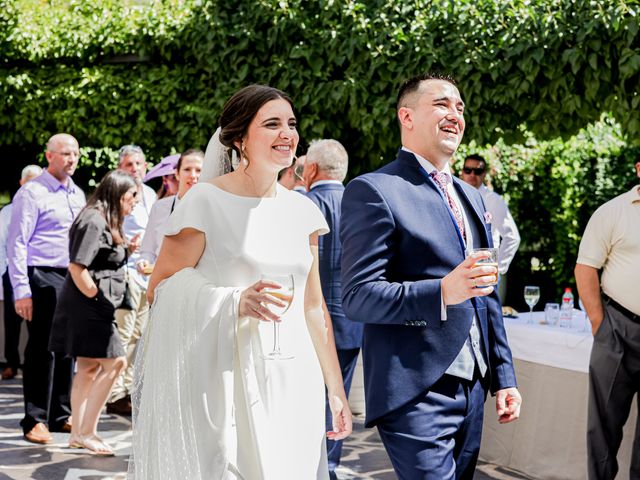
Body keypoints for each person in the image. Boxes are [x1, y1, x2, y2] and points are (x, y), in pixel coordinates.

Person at [130, 84, 352, 479]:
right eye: (271, 124)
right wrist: (233, 301)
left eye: (291, 123)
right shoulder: (204, 201)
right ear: (240, 140)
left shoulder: (304, 211)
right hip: (226, 378)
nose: (287, 134)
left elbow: (314, 307)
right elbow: (160, 286)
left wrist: (335, 389)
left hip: (295, 377)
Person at [340, 73, 521, 479]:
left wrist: (503, 377)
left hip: (473, 387)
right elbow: (358, 296)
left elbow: (485, 292)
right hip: (416, 388)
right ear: (406, 115)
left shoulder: (472, 196)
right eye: (441, 103)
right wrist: (441, 291)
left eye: (459, 106)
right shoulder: (374, 189)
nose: (455, 113)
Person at [49, 170, 137, 455]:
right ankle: (88, 432)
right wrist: (97, 299)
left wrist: (128, 250)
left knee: (88, 368)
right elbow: (77, 267)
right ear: (116, 194)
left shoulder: (103, 219)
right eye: (131, 196)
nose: (134, 202)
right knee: (117, 363)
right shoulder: (93, 220)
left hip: (91, 304)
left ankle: (77, 433)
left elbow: (102, 260)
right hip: (89, 306)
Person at [7, 134, 86, 444]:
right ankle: (34, 418)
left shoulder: (77, 194)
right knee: (42, 349)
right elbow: (17, 243)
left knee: (67, 348)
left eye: (75, 154)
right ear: (49, 155)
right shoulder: (32, 193)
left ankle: (61, 415)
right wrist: (21, 290)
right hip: (41, 275)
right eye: (65, 153)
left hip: (71, 276)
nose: (71, 159)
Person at [575, 158, 640, 480]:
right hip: (617, 328)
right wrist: (600, 325)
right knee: (604, 426)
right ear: (639, 169)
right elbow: (586, 267)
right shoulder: (613, 211)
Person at [303, 139, 363, 480]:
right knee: (335, 401)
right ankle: (328, 468)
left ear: (311, 170)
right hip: (352, 322)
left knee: (303, 400)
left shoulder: (301, 203)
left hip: (305, 321)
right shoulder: (360, 206)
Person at [107, 145, 155, 415]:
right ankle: (114, 395)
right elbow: (111, 229)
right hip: (125, 272)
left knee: (139, 337)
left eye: (139, 164)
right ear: (119, 168)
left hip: (147, 275)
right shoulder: (117, 195)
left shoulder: (149, 194)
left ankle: (129, 391)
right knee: (123, 336)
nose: (135, 169)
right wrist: (127, 245)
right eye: (129, 165)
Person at [1, 165, 43, 380]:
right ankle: (11, 363)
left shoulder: (44, 206)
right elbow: (3, 246)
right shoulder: (8, 211)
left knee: (38, 322)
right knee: (12, 321)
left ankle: (35, 365)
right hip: (12, 272)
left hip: (38, 271)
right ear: (22, 183)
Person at [459, 154, 520, 301]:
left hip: (485, 270)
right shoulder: (456, 196)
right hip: (460, 268)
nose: (472, 174)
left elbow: (512, 237)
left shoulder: (493, 200)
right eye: (468, 170)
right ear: (462, 172)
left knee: (488, 319)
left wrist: (498, 268)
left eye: (477, 171)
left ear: (484, 174)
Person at [136, 149, 204, 274]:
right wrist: (143, 261)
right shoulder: (159, 207)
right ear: (177, 174)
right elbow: (147, 251)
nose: (193, 175)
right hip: (162, 283)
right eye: (187, 169)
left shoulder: (211, 209)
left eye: (199, 170)